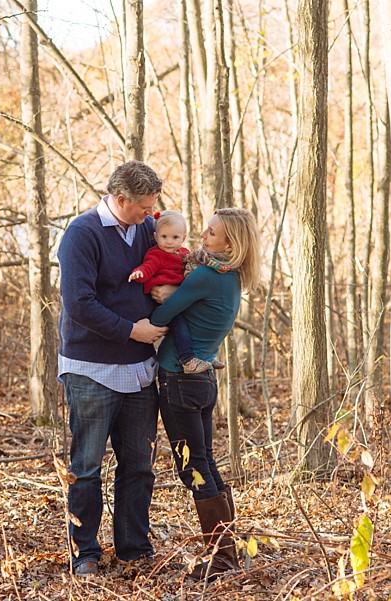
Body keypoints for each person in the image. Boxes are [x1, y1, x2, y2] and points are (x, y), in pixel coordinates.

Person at [57, 160, 169, 578]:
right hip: (91, 368)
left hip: (139, 369)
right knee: (86, 468)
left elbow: (169, 260)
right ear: (121, 199)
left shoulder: (145, 229)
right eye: (144, 205)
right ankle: (84, 552)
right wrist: (131, 331)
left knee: (138, 465)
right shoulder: (81, 234)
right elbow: (79, 303)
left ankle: (134, 549)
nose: (149, 213)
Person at [150, 207, 261, 581]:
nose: (202, 236)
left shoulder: (205, 278)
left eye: (211, 234)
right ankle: (226, 553)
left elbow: (163, 318)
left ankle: (223, 559)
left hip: (180, 382)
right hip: (200, 382)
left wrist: (165, 294)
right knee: (206, 464)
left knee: (194, 468)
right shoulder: (228, 278)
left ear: (230, 243)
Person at [128, 210, 219, 374]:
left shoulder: (184, 253)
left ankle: (205, 355)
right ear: (156, 237)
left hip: (181, 296)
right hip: (164, 302)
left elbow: (193, 266)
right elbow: (148, 267)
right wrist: (140, 273)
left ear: (183, 238)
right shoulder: (156, 254)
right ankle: (187, 359)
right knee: (180, 324)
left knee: (197, 318)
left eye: (175, 237)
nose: (169, 242)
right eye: (164, 237)